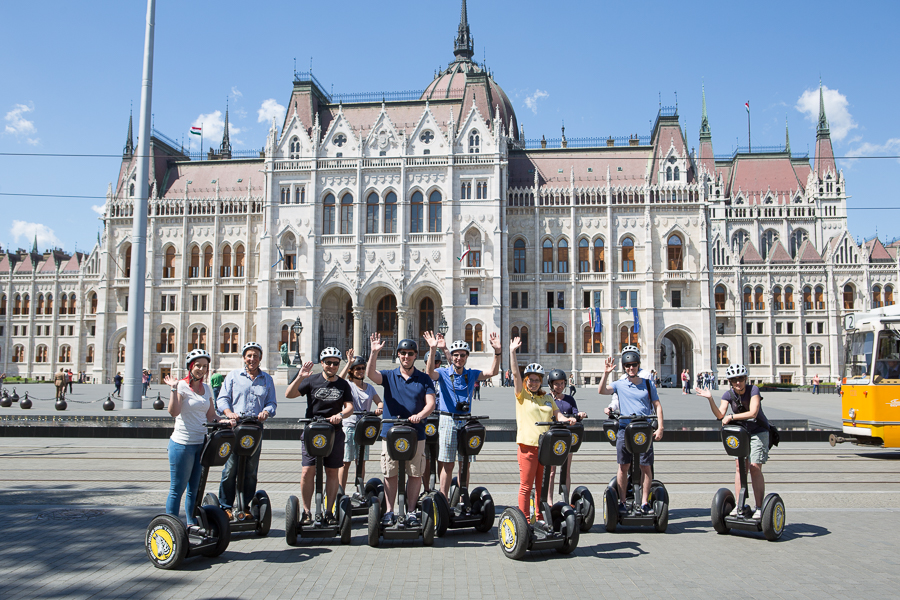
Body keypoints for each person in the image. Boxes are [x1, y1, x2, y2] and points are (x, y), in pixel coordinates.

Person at [366, 334, 436, 527]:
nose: (406, 357)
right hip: (391, 431)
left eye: (410, 353)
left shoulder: (424, 379)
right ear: (398, 355)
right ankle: (389, 511)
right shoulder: (389, 376)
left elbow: (431, 403)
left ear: (415, 356)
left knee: (415, 473)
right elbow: (371, 375)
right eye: (403, 353)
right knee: (390, 472)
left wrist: (420, 415)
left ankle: (411, 511)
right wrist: (373, 353)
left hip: (416, 431)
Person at [423, 331, 501, 500]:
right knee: (447, 464)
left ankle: (462, 497)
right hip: (447, 419)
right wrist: (433, 348)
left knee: (464, 464)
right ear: (451, 356)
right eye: (456, 355)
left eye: (462, 355)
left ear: (467, 357)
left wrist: (497, 352)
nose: (459, 358)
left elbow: (492, 372)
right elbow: (430, 374)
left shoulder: (471, 373)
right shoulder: (443, 373)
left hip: (466, 421)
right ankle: (443, 499)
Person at [286, 347, 354, 525]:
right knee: (308, 471)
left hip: (334, 433)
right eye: (329, 363)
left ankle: (329, 512)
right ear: (322, 363)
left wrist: (340, 415)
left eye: (336, 363)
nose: (332, 366)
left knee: (332, 472)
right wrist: (301, 376)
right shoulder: (312, 380)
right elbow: (289, 394)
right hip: (312, 432)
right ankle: (307, 512)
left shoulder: (343, 384)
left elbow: (349, 407)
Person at [509, 338, 574, 521]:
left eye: (537, 380)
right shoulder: (522, 396)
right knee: (526, 486)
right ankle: (524, 520)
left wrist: (566, 419)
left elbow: (557, 414)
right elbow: (515, 374)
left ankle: (538, 517)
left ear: (541, 381)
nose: (534, 383)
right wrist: (512, 352)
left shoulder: (547, 398)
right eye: (531, 380)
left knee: (541, 486)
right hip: (527, 447)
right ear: (526, 380)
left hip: (545, 447)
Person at [696, 363, 770, 519]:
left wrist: (733, 417)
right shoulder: (728, 395)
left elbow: (754, 412)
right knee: (740, 467)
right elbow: (720, 415)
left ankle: (759, 507)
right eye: (734, 380)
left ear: (746, 379)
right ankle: (739, 505)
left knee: (754, 467)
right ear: (730, 381)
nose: (738, 382)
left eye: (741, 379)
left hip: (758, 431)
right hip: (742, 433)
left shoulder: (753, 390)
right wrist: (710, 399)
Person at [598, 346, 664, 515]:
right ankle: (621, 502)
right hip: (625, 429)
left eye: (633, 365)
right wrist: (606, 373)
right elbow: (602, 391)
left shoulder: (648, 384)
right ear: (624, 368)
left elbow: (657, 405)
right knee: (623, 466)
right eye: (627, 366)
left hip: (644, 428)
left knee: (646, 466)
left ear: (638, 365)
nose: (631, 368)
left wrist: (661, 427)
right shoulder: (620, 384)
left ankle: (644, 503)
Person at [216, 342, 277, 519]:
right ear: (244, 357)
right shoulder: (233, 376)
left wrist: (267, 411)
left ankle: (246, 505)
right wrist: (229, 413)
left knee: (251, 469)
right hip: (235, 428)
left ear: (260, 358)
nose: (252, 359)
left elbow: (272, 402)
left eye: (255, 356)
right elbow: (222, 399)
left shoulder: (267, 379)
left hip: (255, 429)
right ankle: (226, 505)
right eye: (249, 355)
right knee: (230, 468)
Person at [164, 349, 218, 526]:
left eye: (204, 366)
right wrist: (173, 388)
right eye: (198, 366)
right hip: (182, 444)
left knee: (194, 489)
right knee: (177, 489)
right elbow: (174, 412)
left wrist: (228, 420)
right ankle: (172, 526)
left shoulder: (207, 388)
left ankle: (191, 523)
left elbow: (211, 416)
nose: (201, 369)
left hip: (200, 443)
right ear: (190, 367)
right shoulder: (181, 386)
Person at [337, 349, 383, 493]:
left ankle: (359, 491)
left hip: (364, 428)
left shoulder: (369, 388)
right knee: (345, 462)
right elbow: (338, 380)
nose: (361, 371)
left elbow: (379, 402)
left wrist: (379, 409)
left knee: (361, 462)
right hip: (349, 426)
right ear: (351, 371)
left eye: (363, 368)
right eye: (357, 369)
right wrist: (348, 363)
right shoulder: (347, 386)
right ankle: (340, 492)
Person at [546, 369, 587, 503]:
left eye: (562, 383)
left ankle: (566, 499)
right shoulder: (547, 399)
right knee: (552, 471)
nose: (560, 386)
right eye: (557, 384)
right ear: (551, 384)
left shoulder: (569, 399)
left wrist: (579, 414)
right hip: (553, 437)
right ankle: (549, 499)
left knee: (566, 470)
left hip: (567, 437)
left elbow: (575, 412)